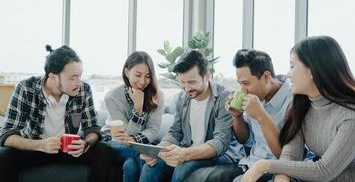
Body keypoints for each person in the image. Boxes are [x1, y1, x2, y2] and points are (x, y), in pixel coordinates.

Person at [241, 36, 355, 182]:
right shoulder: (303, 106)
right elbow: (290, 156)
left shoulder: (351, 114)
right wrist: (281, 178)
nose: (288, 74)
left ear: (312, 70)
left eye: (292, 66)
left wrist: (263, 166)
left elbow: (325, 170)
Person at [0, 45, 112, 182]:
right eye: (73, 78)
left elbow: (93, 129)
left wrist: (85, 143)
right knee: (4, 155)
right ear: (53, 77)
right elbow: (7, 134)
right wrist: (40, 145)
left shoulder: (83, 90)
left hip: (69, 150)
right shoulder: (26, 88)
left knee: (103, 151)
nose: (79, 83)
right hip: (36, 148)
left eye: (80, 76)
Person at [190, 49, 293, 182]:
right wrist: (237, 117)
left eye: (246, 83)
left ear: (266, 76)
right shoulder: (255, 97)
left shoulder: (293, 102)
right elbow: (244, 139)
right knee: (196, 178)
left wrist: (261, 116)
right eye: (240, 84)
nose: (243, 90)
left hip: (276, 168)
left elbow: (287, 156)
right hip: (250, 162)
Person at [139, 50, 242, 182]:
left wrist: (184, 154)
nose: (186, 88)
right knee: (151, 166)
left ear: (206, 76)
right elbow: (175, 133)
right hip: (189, 151)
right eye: (182, 82)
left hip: (220, 156)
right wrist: (159, 150)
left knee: (183, 169)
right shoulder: (182, 98)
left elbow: (220, 142)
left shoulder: (224, 98)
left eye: (191, 82)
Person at [101, 51, 164, 182]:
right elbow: (124, 136)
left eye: (148, 76)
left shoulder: (158, 95)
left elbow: (153, 129)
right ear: (126, 72)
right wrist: (138, 107)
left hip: (140, 143)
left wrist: (136, 143)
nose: (143, 81)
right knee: (145, 155)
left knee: (130, 166)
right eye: (138, 75)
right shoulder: (112, 97)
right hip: (114, 142)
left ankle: (141, 154)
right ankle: (141, 154)